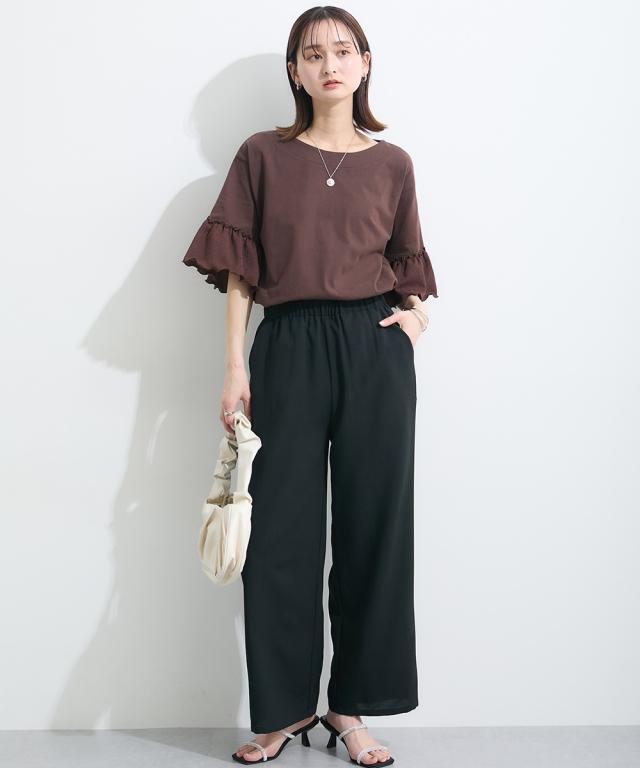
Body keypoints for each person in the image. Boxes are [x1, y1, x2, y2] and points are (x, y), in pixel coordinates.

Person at [182, 7, 438, 766]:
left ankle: (350, 707)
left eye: (343, 50)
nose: (330, 64)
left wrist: (416, 319)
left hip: (373, 347)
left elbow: (407, 258)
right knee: (280, 534)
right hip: (288, 344)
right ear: (294, 70)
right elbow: (239, 270)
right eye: (313, 53)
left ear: (365, 63)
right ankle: (284, 710)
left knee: (374, 529)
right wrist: (235, 366)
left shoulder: (393, 164)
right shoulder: (262, 155)